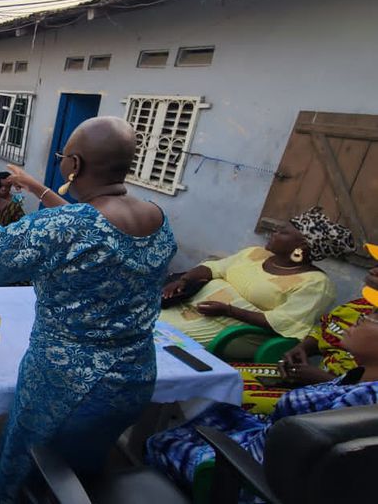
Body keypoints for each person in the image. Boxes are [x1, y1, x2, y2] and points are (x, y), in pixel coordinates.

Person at [0, 116, 177, 501]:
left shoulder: (69, 226)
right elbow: (90, 222)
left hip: (68, 387)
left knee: (24, 466)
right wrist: (38, 187)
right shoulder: (158, 218)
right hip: (134, 377)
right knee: (81, 465)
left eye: (64, 154)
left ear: (76, 165)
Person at [145, 305, 378, 491]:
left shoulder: (360, 401)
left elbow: (305, 463)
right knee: (205, 403)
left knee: (160, 441)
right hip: (265, 435)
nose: (361, 317)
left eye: (374, 317)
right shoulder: (359, 376)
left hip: (257, 471)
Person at [159, 206, 351, 350]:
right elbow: (214, 268)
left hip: (233, 331)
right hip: (187, 309)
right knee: (140, 323)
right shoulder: (255, 253)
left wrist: (228, 310)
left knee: (158, 341)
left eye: (282, 232)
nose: (273, 233)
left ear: (301, 248)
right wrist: (184, 280)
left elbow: (283, 322)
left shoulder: (316, 283)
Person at [233, 298, 374, 414]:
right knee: (225, 374)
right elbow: (324, 331)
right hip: (316, 381)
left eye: (364, 320)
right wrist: (302, 349)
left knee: (229, 393)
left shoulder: (365, 396)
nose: (373, 270)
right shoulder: (360, 304)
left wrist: (324, 380)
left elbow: (356, 403)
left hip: (327, 396)